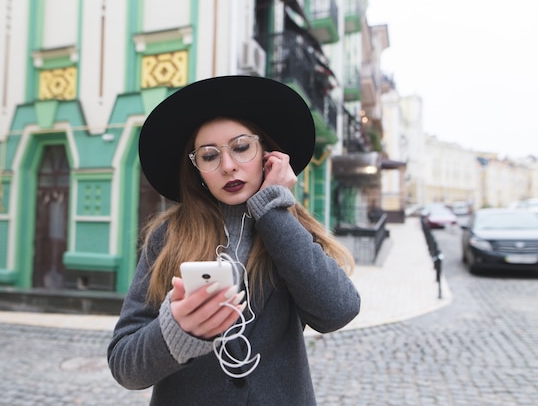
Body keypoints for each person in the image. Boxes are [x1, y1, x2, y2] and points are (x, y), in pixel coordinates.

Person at [107, 76, 360, 405]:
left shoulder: (290, 228)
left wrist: (272, 208)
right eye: (210, 156)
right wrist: (176, 331)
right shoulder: (167, 237)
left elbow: (338, 311)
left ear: (267, 154)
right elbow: (124, 365)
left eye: (241, 147)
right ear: (197, 168)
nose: (228, 166)